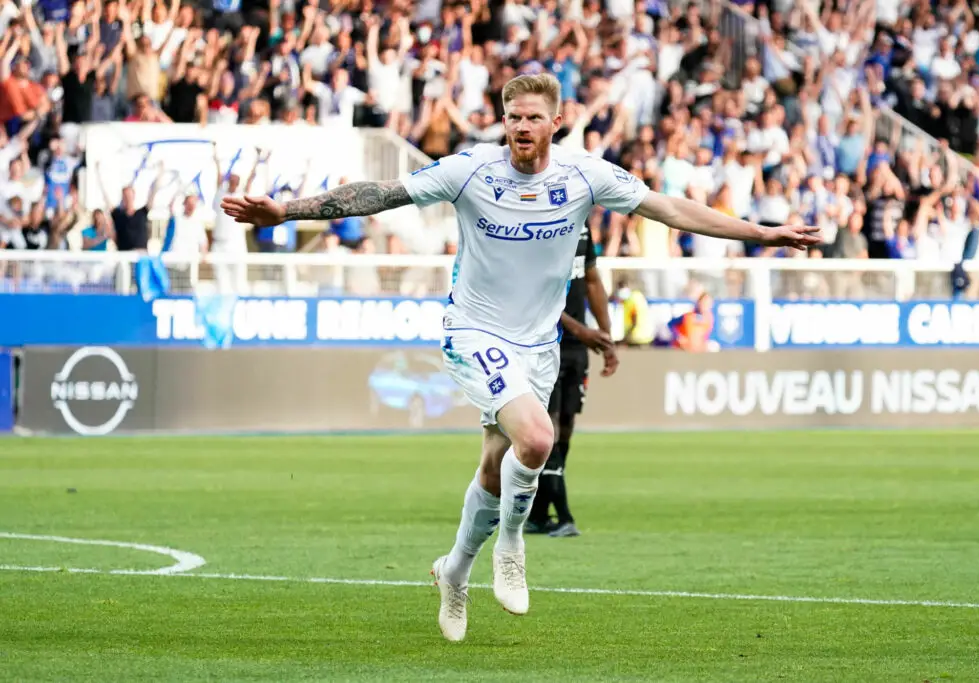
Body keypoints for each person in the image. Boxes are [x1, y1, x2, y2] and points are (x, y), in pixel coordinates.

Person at [221, 73, 821, 643]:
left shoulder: (585, 176)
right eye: (513, 117)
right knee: (536, 438)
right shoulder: (471, 170)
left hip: (538, 344)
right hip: (474, 330)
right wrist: (288, 211)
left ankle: (454, 572)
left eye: (533, 117)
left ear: (556, 122)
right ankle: (511, 544)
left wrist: (762, 234)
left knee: (494, 464)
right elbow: (382, 194)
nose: (521, 127)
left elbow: (669, 208)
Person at [526, 220, 617, 538]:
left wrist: (606, 336)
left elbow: (592, 280)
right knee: (546, 431)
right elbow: (536, 293)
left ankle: (538, 514)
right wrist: (582, 330)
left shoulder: (582, 226)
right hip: (543, 343)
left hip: (578, 348)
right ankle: (564, 516)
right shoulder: (540, 223)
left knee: (565, 430)